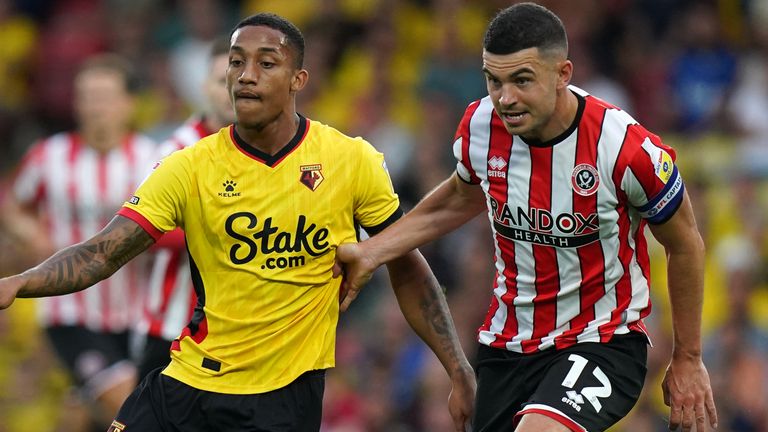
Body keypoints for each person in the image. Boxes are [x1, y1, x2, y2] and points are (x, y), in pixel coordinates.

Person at [0, 12, 476, 432]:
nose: (247, 75)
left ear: (298, 78)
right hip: (186, 382)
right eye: (235, 62)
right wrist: (20, 281)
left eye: (266, 63)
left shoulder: (351, 161)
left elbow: (406, 262)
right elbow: (104, 253)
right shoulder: (189, 165)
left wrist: (456, 368)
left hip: (282, 398)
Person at [334, 3, 717, 432]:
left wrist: (688, 358)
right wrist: (372, 251)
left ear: (563, 74)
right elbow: (458, 197)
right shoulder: (481, 125)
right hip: (507, 345)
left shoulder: (623, 147)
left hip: (602, 341)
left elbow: (685, 242)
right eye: (493, 81)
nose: (505, 98)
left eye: (521, 80)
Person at [0, 54, 157, 431]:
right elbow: (13, 204)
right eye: (86, 96)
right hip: (70, 312)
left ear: (128, 104)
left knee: (92, 416)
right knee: (129, 405)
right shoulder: (49, 156)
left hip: (137, 314)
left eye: (104, 96)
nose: (94, 106)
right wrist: (30, 233)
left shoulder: (153, 160)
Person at [134, 36, 235, 381]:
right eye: (223, 81)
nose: (231, 90)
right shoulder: (174, 150)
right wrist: (222, 230)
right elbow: (144, 231)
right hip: (172, 331)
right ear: (205, 87)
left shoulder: (270, 153)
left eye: (239, 80)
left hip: (238, 337)